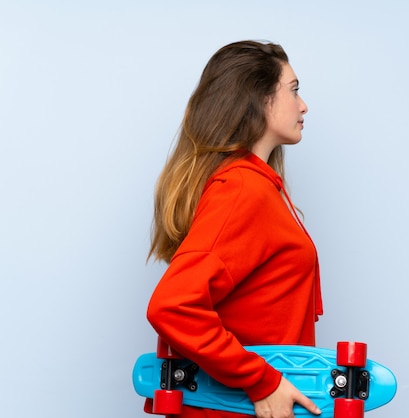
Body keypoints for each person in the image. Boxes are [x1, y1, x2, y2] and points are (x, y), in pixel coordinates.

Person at [146, 40, 324, 418]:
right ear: (261, 99)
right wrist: (262, 380)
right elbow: (172, 305)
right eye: (293, 91)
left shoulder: (259, 187)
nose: (304, 104)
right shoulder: (244, 189)